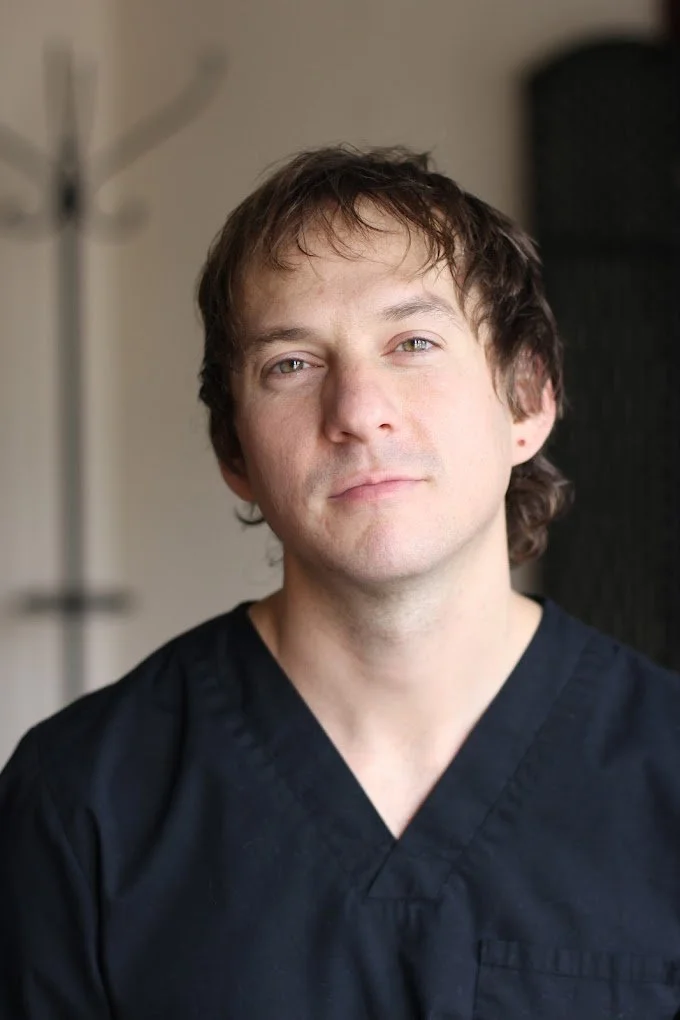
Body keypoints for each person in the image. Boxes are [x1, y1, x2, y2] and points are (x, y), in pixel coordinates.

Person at [1, 146, 680, 1020]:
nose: (358, 408)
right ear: (235, 454)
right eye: (292, 363)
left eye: (413, 342)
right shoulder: (79, 802)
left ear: (527, 401)